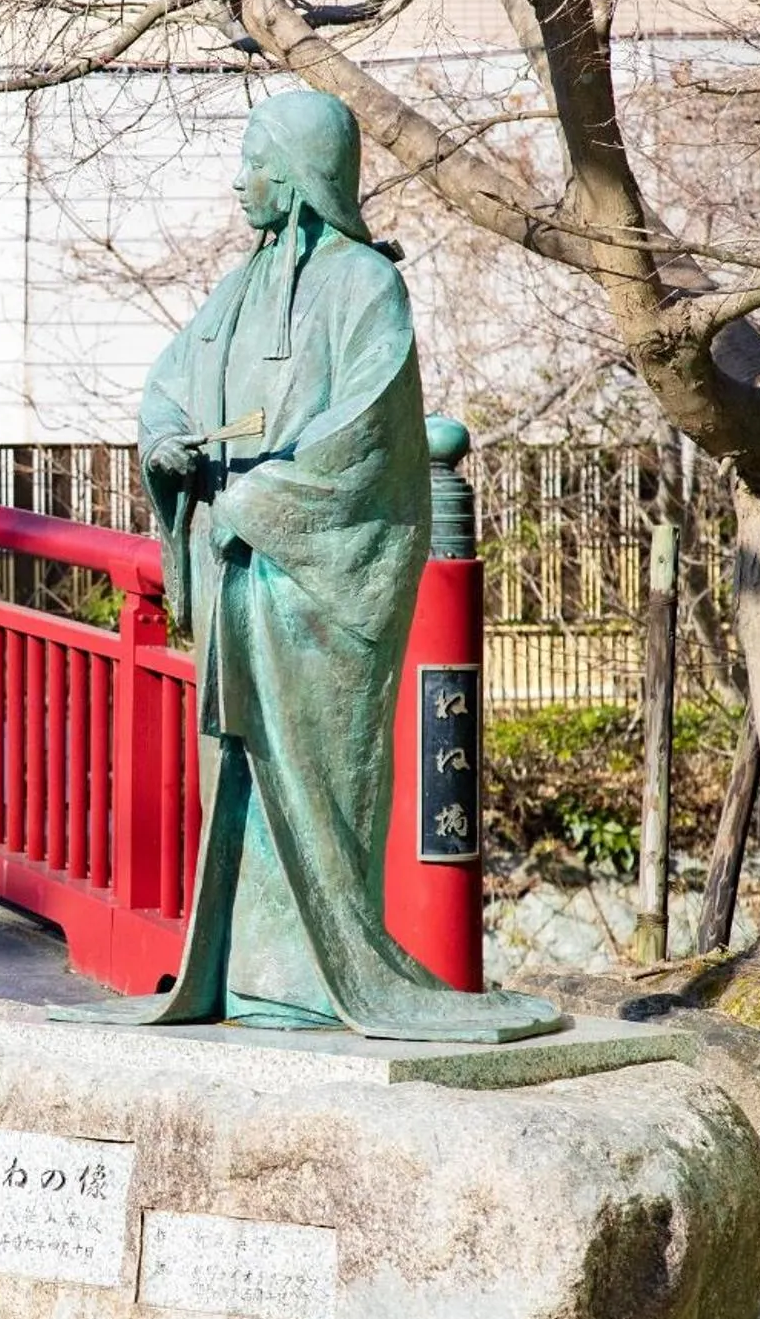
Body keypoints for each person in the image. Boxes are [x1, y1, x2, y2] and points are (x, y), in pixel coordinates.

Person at [55, 90, 562, 1043]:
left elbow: (367, 433)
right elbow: (169, 382)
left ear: (294, 180)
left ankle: (316, 980)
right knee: (232, 773)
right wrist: (168, 444)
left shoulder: (364, 285)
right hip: (232, 569)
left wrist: (258, 500)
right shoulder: (237, 286)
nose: (238, 181)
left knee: (316, 775)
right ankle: (244, 977)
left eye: (252, 163)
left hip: (308, 579)